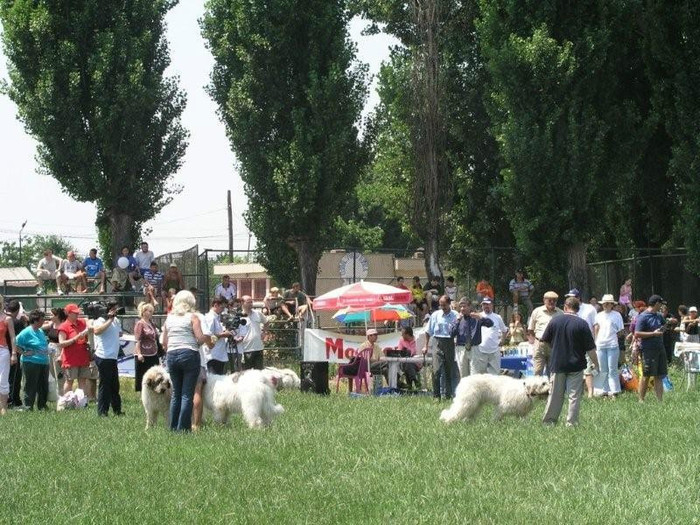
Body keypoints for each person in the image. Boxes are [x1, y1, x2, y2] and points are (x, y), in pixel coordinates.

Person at [541, 297, 599, 426]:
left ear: (565, 307)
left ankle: (549, 422)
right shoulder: (582, 324)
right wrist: (596, 363)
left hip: (557, 364)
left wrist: (554, 348)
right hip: (576, 365)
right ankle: (571, 423)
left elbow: (544, 340)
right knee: (574, 396)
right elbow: (591, 349)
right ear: (577, 309)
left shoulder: (554, 321)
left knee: (555, 395)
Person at [163, 290, 211, 432]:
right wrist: (197, 344)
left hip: (171, 354)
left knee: (176, 393)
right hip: (189, 354)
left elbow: (164, 342)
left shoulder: (169, 318)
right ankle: (183, 428)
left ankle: (173, 427)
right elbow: (201, 338)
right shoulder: (193, 317)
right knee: (186, 394)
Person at [90, 301, 124, 416]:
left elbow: (120, 334)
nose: (116, 311)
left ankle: (117, 410)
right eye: (114, 309)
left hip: (112, 357)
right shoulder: (100, 320)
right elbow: (97, 331)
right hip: (103, 356)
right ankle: (102, 412)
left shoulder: (116, 321)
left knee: (115, 385)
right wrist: (109, 319)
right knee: (105, 385)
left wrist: (114, 320)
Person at [634, 295, 669, 403]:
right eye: (661, 304)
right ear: (656, 304)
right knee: (646, 375)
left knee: (659, 375)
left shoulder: (658, 315)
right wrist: (653, 334)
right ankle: (641, 400)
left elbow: (664, 326)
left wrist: (667, 325)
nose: (662, 306)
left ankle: (659, 401)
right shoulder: (643, 317)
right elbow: (637, 333)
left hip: (660, 348)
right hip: (649, 350)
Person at [423, 295, 459, 400]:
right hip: (437, 342)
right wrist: (425, 346)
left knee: (448, 370)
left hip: (449, 342)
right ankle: (436, 396)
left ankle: (448, 395)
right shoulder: (435, 315)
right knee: (436, 370)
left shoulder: (455, 315)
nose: (442, 307)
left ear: (449, 304)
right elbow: (428, 331)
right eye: (441, 305)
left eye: (444, 305)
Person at [14, 309, 50, 410]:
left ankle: (42, 405)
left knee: (43, 386)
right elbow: (15, 343)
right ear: (35, 320)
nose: (43, 321)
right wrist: (24, 352)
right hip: (31, 362)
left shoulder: (40, 331)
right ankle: (28, 406)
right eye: (42, 320)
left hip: (44, 362)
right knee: (30, 385)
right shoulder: (26, 332)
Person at [565, 289, 597, 397]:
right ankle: (578, 392)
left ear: (578, 298)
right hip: (572, 343)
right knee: (576, 369)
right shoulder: (566, 309)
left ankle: (590, 393)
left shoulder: (589, 308)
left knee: (588, 369)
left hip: (587, 342)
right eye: (568, 297)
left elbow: (595, 325)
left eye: (572, 296)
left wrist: (595, 341)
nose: (570, 298)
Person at [593, 294, 625, 397]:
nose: (606, 305)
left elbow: (621, 331)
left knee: (613, 369)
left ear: (612, 304)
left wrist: (614, 337)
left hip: (612, 345)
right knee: (603, 370)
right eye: (604, 303)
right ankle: (605, 391)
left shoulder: (617, 315)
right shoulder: (598, 315)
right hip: (600, 345)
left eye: (608, 303)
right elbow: (596, 329)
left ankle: (615, 391)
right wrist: (595, 342)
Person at [453, 298, 494, 378]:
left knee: (475, 375)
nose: (462, 309)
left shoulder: (476, 318)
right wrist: (457, 321)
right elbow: (451, 333)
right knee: (463, 376)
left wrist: (481, 317)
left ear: (469, 306)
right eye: (460, 307)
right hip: (461, 348)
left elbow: (490, 324)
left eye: (464, 306)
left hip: (474, 349)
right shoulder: (458, 319)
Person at [57, 303, 91, 395]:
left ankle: (82, 402)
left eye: (77, 313)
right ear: (68, 313)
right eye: (74, 313)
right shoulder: (64, 326)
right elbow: (62, 343)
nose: (77, 314)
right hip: (71, 359)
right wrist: (76, 338)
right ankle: (66, 401)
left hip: (83, 357)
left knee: (83, 380)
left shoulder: (82, 322)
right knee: (69, 381)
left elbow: (89, 322)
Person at [528, 291, 564, 375]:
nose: (552, 302)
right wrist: (535, 342)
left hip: (554, 345)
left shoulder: (560, 313)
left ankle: (551, 388)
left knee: (552, 372)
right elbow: (530, 329)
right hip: (539, 344)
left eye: (554, 300)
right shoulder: (537, 311)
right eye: (549, 300)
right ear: (544, 300)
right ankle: (536, 388)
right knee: (537, 371)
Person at [472, 297, 508, 375]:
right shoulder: (477, 316)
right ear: (482, 306)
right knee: (479, 375)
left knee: (495, 374)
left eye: (488, 304)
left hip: (494, 351)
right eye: (484, 304)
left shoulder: (497, 317)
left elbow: (504, 330)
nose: (486, 306)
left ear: (492, 305)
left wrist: (502, 340)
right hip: (480, 350)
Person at [133, 302, 160, 392]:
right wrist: (139, 354)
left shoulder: (152, 323)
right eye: (148, 311)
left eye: (151, 311)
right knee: (143, 376)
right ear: (143, 312)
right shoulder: (140, 324)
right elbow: (138, 340)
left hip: (153, 353)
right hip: (143, 353)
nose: (150, 313)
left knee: (155, 374)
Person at [203, 296, 233, 375]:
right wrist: (223, 334)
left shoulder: (216, 317)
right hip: (213, 356)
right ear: (215, 305)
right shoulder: (211, 318)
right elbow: (207, 338)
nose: (223, 309)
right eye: (222, 307)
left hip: (218, 355)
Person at [5, 299, 27, 408]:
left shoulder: (3, 318)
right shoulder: (16, 322)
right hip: (13, 352)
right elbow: (22, 338)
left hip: (3, 351)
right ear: (18, 310)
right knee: (14, 378)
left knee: (4, 377)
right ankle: (13, 400)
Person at [0, 296, 18, 415]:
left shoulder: (7, 318)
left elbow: (13, 336)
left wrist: (14, 353)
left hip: (3, 351)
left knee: (3, 379)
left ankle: (4, 407)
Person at [239, 295, 267, 370]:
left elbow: (266, 322)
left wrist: (264, 332)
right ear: (242, 303)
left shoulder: (258, 313)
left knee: (259, 373)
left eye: (251, 302)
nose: (251, 304)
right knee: (246, 374)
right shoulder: (239, 316)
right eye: (248, 302)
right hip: (246, 349)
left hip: (258, 348)